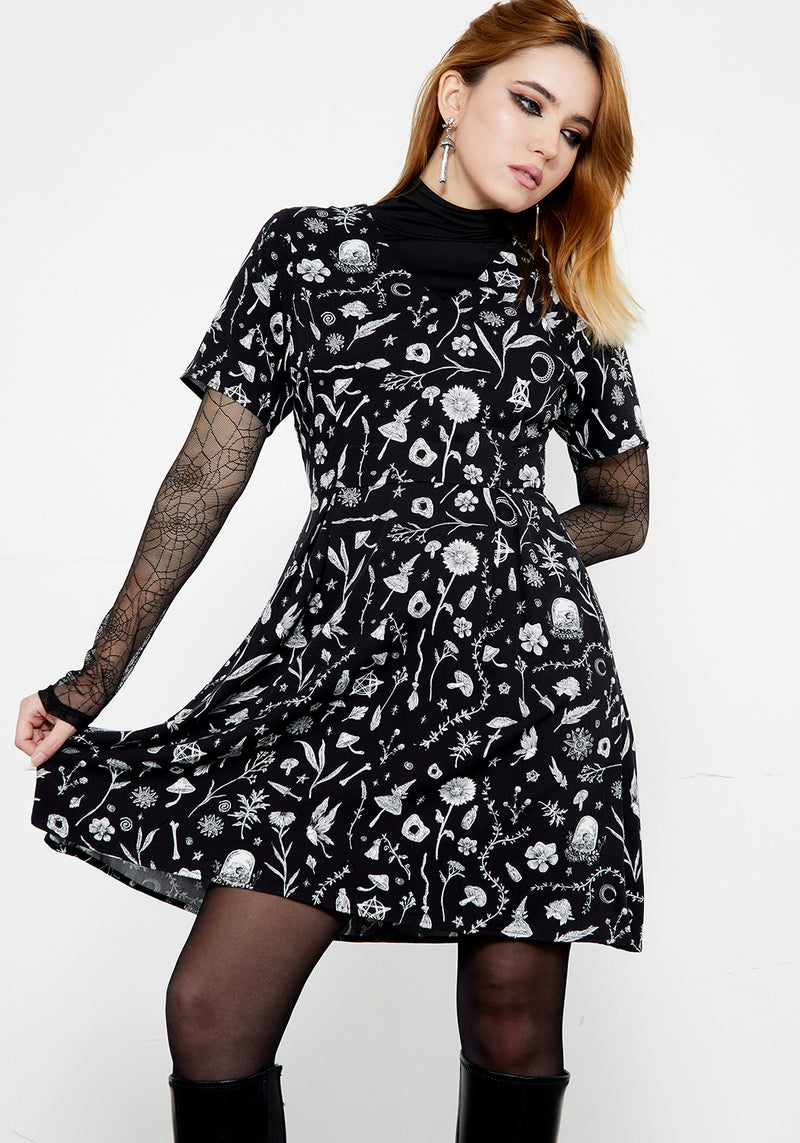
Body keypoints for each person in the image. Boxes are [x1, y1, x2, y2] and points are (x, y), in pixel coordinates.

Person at [15, 1, 650, 1139]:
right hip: (337, 662)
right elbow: (204, 477)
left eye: (572, 132)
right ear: (453, 94)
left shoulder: (568, 284)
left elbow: (623, 511)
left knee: (512, 1020)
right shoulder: (304, 251)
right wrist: (94, 679)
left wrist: (496, 548)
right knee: (212, 1010)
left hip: (525, 683)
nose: (547, 145)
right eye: (528, 103)